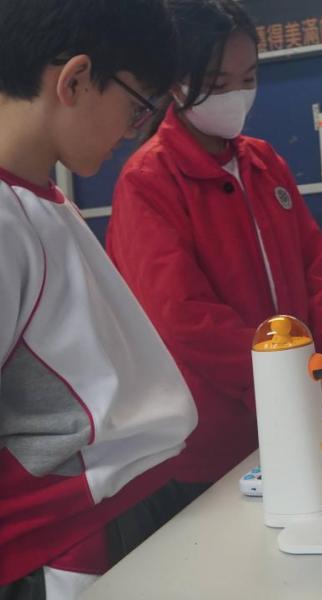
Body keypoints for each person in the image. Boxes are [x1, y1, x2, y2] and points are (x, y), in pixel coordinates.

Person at [105, 0, 322, 492]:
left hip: (301, 408)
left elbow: (314, 270)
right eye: (217, 84)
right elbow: (182, 316)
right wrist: (293, 383)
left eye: (248, 77)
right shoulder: (149, 180)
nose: (236, 94)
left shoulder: (263, 162)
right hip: (213, 436)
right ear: (176, 83)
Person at [0, 1, 197, 597]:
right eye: (138, 107)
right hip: (62, 543)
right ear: (76, 80)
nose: (136, 130)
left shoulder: (40, 201)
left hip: (110, 510)